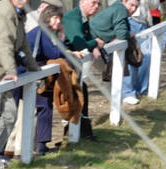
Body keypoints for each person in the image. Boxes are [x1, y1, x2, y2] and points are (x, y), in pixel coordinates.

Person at [0, 0, 37, 167]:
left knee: (10, 115)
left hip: (3, 74)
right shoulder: (4, 12)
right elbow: (3, 44)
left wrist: (34, 68)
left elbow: (22, 43)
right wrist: (11, 71)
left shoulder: (17, 12)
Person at [90, 0, 149, 104]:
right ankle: (123, 95)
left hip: (97, 42)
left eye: (136, 6)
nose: (133, 9)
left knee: (111, 65)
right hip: (90, 42)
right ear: (124, 1)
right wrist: (130, 34)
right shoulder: (120, 9)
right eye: (131, 5)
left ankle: (117, 96)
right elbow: (121, 34)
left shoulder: (118, 8)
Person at [62, 0, 104, 140]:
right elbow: (79, 43)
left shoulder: (83, 18)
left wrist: (94, 46)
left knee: (82, 90)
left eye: (98, 4)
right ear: (83, 1)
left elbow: (87, 37)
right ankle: (76, 130)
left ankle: (82, 130)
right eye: (93, 2)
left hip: (73, 61)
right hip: (61, 60)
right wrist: (95, 43)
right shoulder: (73, 17)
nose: (96, 6)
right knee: (78, 91)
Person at [27, 7, 65, 153]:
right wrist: (61, 39)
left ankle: (40, 145)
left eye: (59, 18)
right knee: (44, 104)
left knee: (45, 103)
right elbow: (54, 53)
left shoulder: (43, 32)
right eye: (55, 18)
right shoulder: (43, 32)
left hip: (32, 72)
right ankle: (40, 147)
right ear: (47, 18)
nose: (58, 21)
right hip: (27, 74)